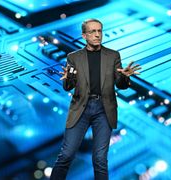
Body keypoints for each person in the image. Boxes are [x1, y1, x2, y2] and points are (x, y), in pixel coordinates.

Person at [50, 18, 141, 180]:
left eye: (99, 31)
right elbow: (68, 87)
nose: (97, 35)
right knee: (66, 155)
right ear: (84, 35)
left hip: (104, 109)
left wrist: (125, 77)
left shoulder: (113, 55)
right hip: (81, 108)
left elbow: (121, 85)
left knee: (100, 159)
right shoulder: (74, 57)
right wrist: (68, 78)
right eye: (92, 31)